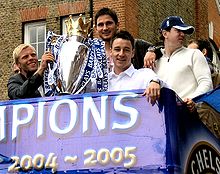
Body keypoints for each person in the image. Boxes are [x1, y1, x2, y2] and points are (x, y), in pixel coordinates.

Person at [153, 16, 213, 112]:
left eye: (184, 31)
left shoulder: (194, 54)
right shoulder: (155, 59)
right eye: (178, 30)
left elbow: (206, 83)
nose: (182, 34)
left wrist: (193, 99)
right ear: (165, 33)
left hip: (189, 114)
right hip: (163, 118)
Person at [94, 7, 161, 70]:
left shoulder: (135, 45)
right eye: (100, 25)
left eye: (109, 23)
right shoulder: (93, 52)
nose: (105, 28)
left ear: (117, 25)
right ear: (96, 29)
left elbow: (162, 48)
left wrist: (152, 51)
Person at [108, 30, 164, 105]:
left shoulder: (145, 75)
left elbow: (163, 84)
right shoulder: (103, 81)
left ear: (133, 53)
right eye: (117, 49)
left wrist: (155, 83)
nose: (121, 54)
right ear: (111, 52)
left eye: (126, 50)